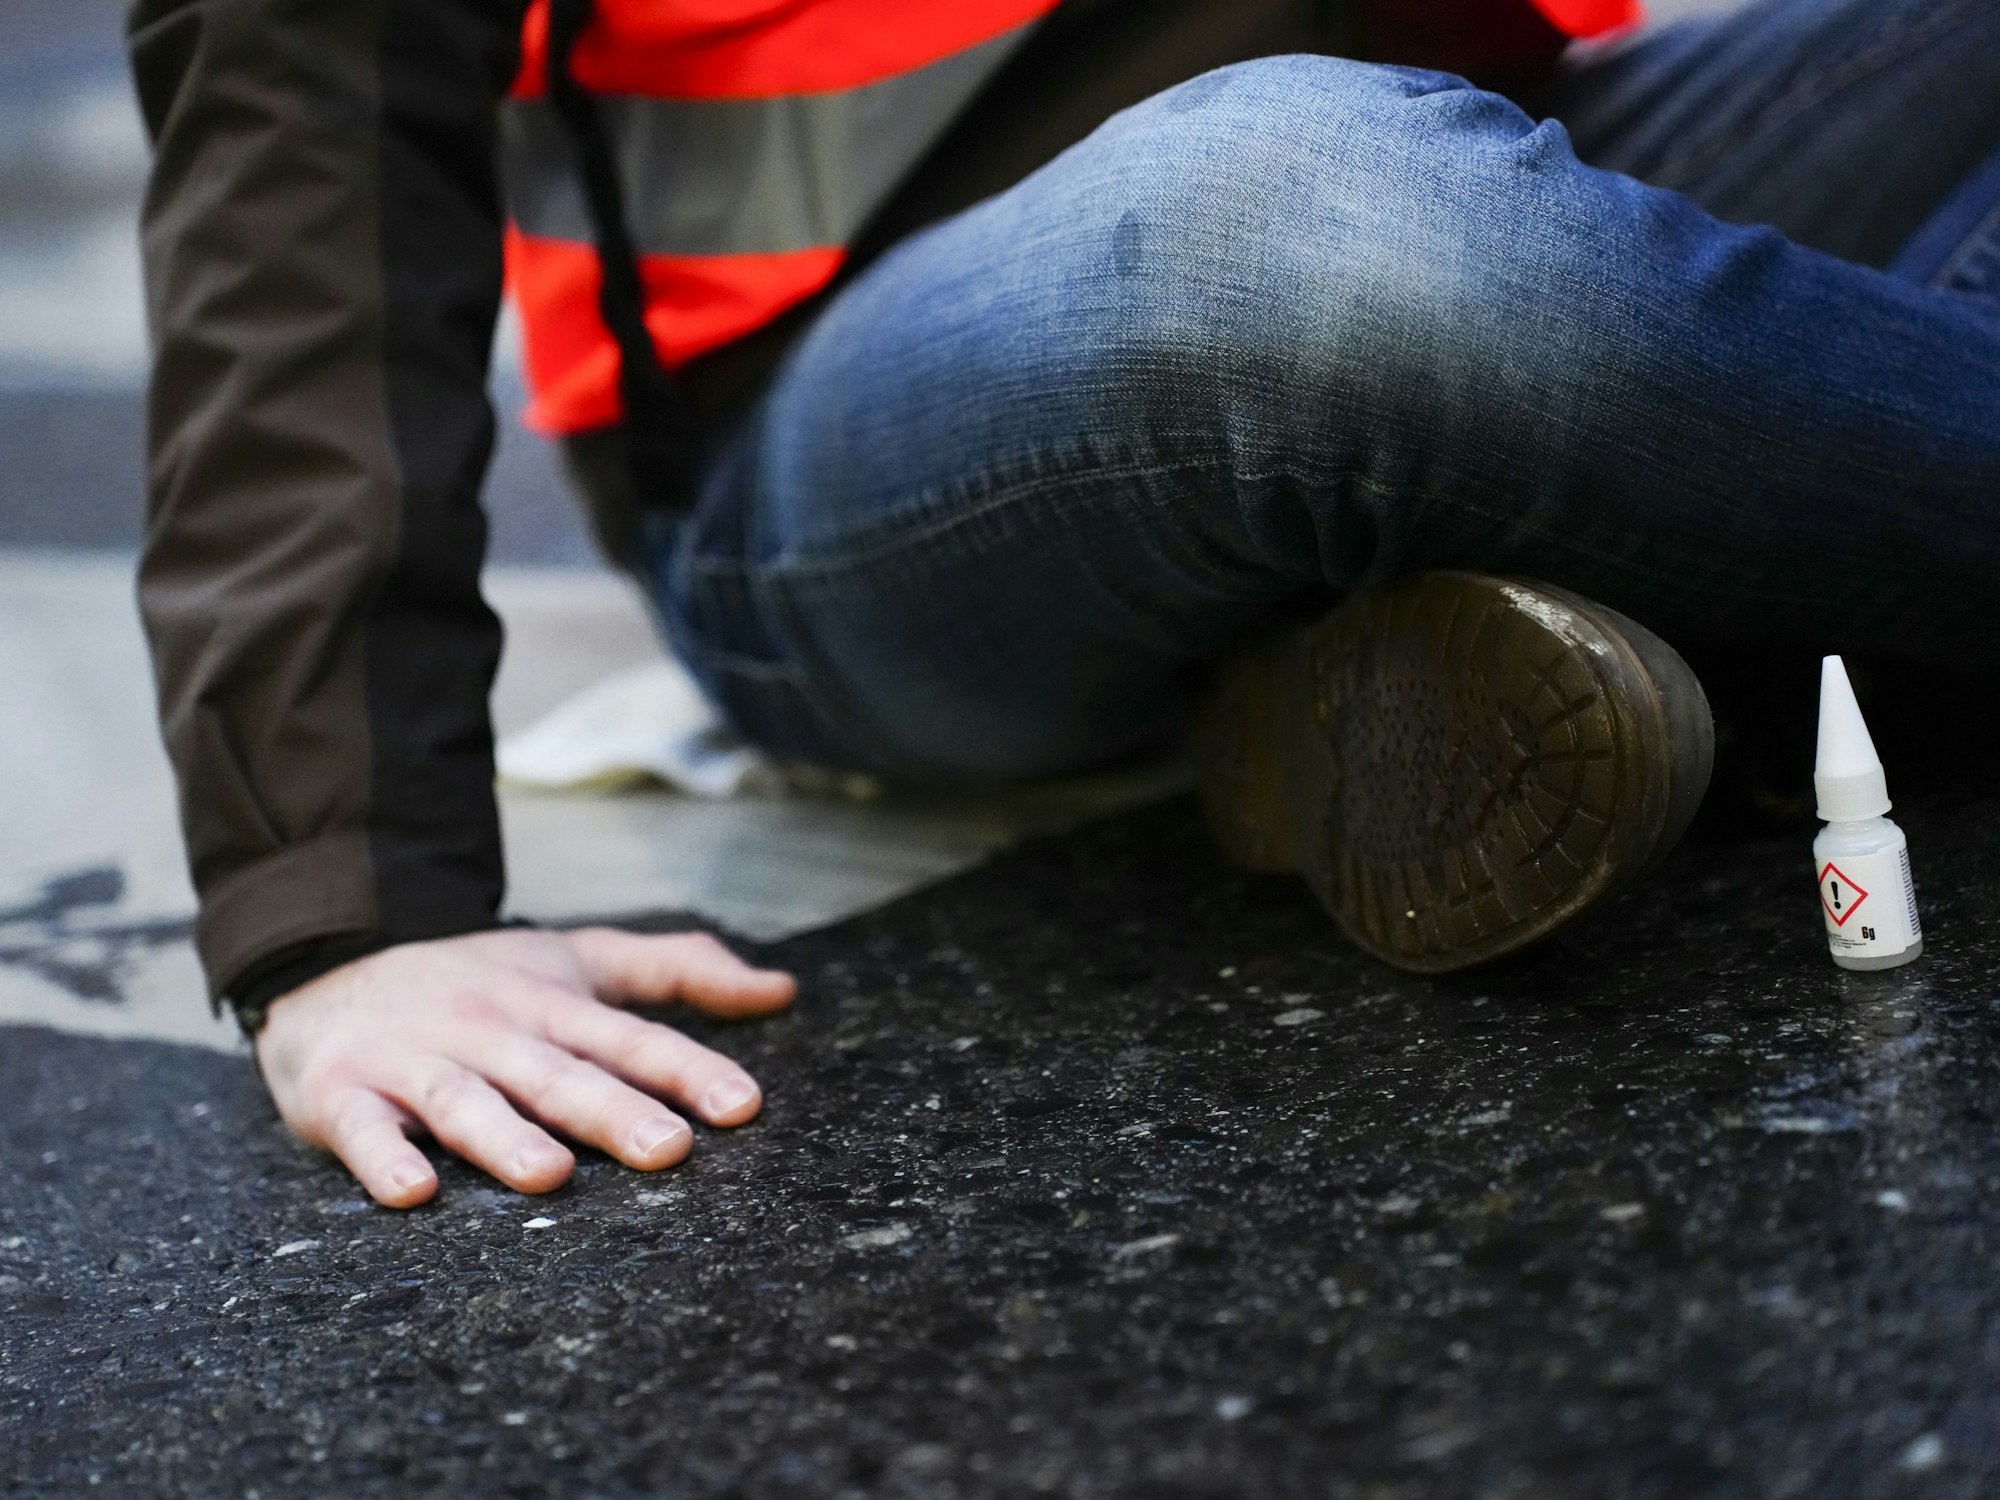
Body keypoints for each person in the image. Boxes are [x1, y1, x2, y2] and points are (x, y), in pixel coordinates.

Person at [127, 0, 2000, 1208]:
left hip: (1514, 168)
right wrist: (343, 907)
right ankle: (1802, 579)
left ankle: (1496, 647)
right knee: (1302, 215)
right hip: (862, 445)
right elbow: (297, 167)